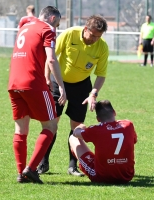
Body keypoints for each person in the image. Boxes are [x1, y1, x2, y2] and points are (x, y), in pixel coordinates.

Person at [38, 15, 109, 177]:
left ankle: (73, 166)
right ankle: (43, 163)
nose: (95, 40)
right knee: (51, 124)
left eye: (99, 37)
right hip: (58, 83)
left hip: (82, 86)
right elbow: (51, 57)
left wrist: (93, 94)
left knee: (77, 127)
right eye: (93, 35)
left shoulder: (102, 47)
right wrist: (47, 78)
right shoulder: (69, 34)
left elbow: (101, 74)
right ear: (86, 29)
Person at [8, 6, 66, 184]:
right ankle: (31, 169)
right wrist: (61, 86)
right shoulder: (46, 29)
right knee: (51, 126)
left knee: (21, 130)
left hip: (13, 83)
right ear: (52, 18)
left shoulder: (26, 26)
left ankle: (21, 173)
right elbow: (51, 59)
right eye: (56, 23)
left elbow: (26, 20)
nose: (55, 28)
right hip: (33, 83)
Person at [69, 100, 137, 184]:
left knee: (72, 138)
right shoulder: (128, 125)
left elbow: (76, 133)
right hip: (127, 175)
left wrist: (81, 126)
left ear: (98, 119)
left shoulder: (96, 130)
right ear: (114, 112)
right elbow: (134, 141)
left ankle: (75, 165)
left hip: (102, 176)